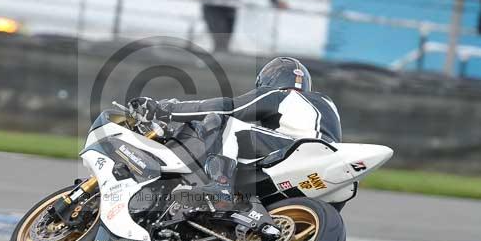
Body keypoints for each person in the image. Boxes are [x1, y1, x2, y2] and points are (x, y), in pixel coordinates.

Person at [130, 57, 341, 210]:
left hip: (297, 150)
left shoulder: (278, 95)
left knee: (226, 122)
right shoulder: (328, 103)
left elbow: (228, 107)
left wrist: (164, 109)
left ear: (269, 81)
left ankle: (220, 186)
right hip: (325, 164)